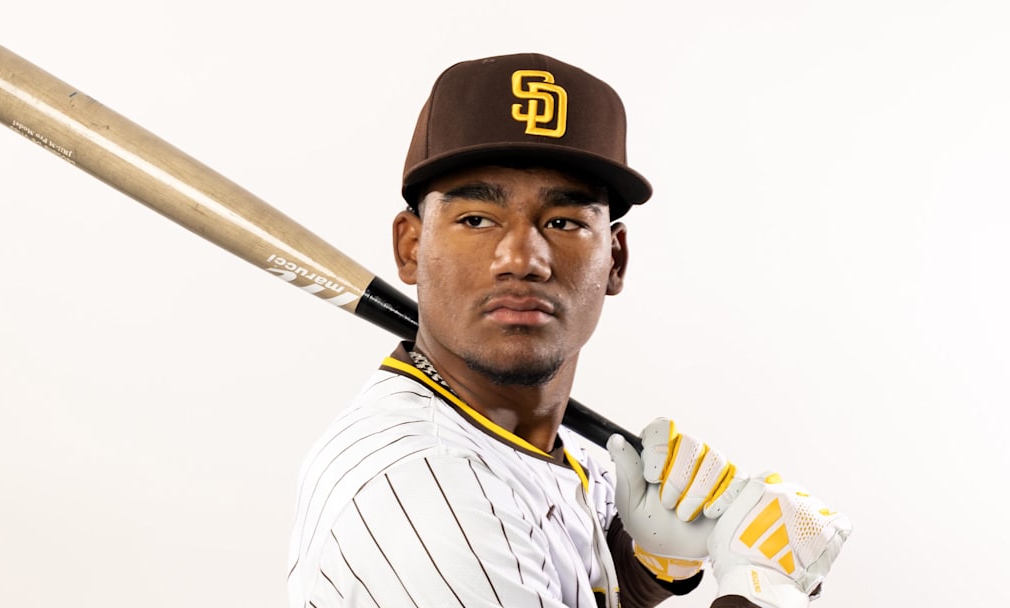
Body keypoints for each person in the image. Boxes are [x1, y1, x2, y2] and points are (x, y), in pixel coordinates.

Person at [286, 52, 851, 608]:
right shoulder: (419, 488)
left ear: (616, 260)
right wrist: (761, 593)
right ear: (411, 248)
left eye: (563, 221)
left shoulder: (569, 457)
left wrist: (644, 569)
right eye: (477, 219)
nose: (522, 258)